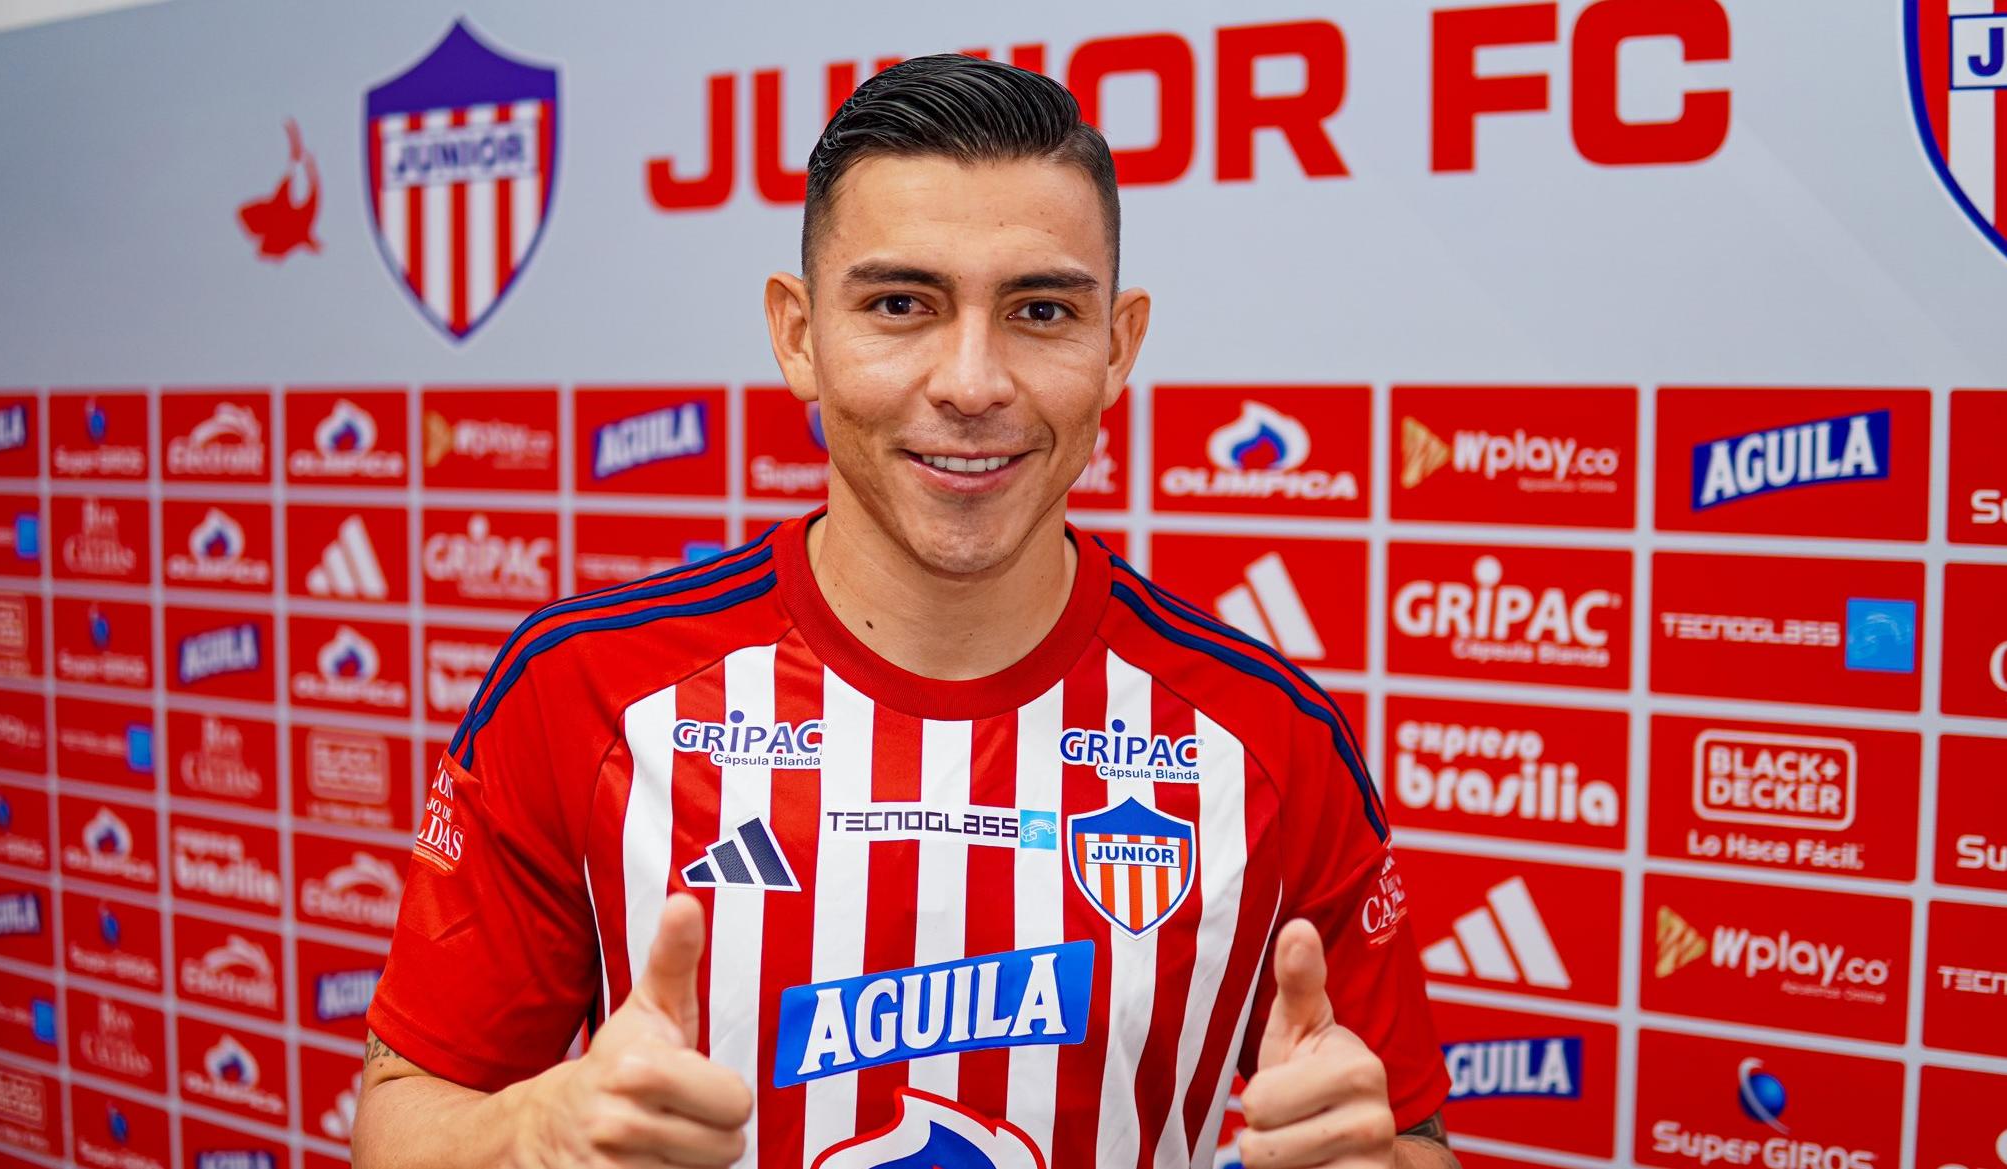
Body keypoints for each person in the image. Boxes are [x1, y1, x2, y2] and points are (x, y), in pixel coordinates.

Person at [353, 53, 1454, 1169]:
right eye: (900, 304)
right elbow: (402, 1120)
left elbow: (1413, 1141)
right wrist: (526, 1134)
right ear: (798, 334)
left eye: (1040, 309)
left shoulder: (1269, 737)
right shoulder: (581, 689)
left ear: (1117, 347)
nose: (972, 383)